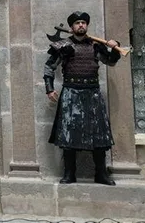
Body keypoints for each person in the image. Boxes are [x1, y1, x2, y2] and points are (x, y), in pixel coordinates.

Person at [43, 11, 120, 186]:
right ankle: (69, 174)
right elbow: (49, 67)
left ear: (87, 26)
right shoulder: (63, 46)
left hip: (93, 93)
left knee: (99, 135)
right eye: (77, 23)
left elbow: (110, 61)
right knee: (68, 135)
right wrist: (49, 89)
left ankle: (101, 174)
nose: (81, 25)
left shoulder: (96, 46)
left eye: (83, 23)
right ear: (72, 27)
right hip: (71, 93)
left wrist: (115, 48)